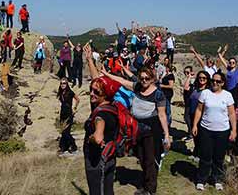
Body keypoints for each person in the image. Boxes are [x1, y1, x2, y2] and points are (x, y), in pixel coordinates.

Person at [103, 67, 171, 195]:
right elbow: (121, 80)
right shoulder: (137, 87)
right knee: (141, 156)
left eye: (147, 78)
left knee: (150, 158)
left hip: (151, 128)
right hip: (136, 127)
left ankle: (150, 189)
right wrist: (107, 74)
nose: (144, 80)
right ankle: (146, 182)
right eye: (142, 78)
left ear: (152, 79)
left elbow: (162, 115)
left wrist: (166, 134)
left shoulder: (158, 94)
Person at [192, 72, 237, 191]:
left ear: (222, 83)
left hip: (222, 131)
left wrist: (234, 130)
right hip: (206, 129)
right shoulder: (205, 93)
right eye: (213, 81)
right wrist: (195, 125)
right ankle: (201, 179)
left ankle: (217, 179)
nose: (215, 83)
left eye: (218, 81)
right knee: (205, 156)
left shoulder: (227, 95)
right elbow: (199, 110)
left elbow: (232, 114)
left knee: (219, 157)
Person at [84, 77, 118, 195]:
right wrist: (89, 60)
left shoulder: (100, 115)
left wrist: (91, 138)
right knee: (108, 189)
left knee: (97, 191)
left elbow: (98, 138)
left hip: (97, 160)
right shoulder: (112, 106)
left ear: (105, 94)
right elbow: (98, 80)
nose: (92, 94)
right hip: (109, 155)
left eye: (96, 92)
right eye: (91, 90)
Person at [185, 70, 210, 158]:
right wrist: (189, 77)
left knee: (200, 137)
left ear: (207, 79)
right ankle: (196, 153)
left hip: (201, 116)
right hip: (192, 114)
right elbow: (186, 88)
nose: (202, 79)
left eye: (204, 78)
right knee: (195, 135)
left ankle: (200, 155)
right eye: (200, 77)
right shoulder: (195, 88)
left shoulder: (208, 91)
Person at [58, 78, 80, 154]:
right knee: (63, 132)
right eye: (61, 83)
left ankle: (73, 145)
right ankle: (64, 147)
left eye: (64, 83)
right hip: (62, 113)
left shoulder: (69, 92)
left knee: (66, 132)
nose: (62, 85)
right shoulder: (61, 93)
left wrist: (75, 107)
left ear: (67, 84)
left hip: (68, 113)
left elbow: (77, 99)